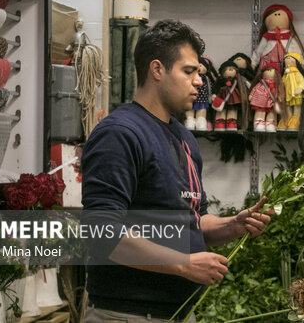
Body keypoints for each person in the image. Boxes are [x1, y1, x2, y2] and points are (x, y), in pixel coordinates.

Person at [81, 20, 273, 322]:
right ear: (157, 70)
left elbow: (193, 219)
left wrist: (232, 226)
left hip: (179, 312)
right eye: (189, 71)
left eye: (199, 72)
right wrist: (184, 264)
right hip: (127, 314)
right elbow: (101, 232)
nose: (199, 81)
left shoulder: (183, 137)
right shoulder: (120, 133)